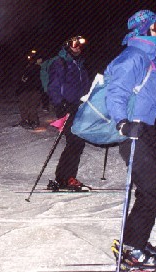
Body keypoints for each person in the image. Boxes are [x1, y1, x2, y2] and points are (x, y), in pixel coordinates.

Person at [105, 10, 156, 269]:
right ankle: (133, 248)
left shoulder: (152, 63)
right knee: (154, 192)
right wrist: (121, 122)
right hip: (133, 132)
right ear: (141, 30)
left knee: (155, 190)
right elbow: (116, 91)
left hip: (148, 131)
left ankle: (133, 241)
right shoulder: (132, 58)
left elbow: (155, 99)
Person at [46, 36, 91, 191]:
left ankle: (65, 177)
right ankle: (66, 178)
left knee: (77, 142)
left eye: (80, 45)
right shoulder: (60, 63)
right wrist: (61, 104)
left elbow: (85, 87)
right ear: (67, 46)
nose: (77, 47)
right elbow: (53, 86)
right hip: (66, 108)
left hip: (78, 108)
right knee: (75, 141)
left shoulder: (80, 65)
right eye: (74, 44)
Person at [15, 52, 43, 129]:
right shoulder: (27, 66)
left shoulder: (38, 68)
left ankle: (33, 121)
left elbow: (38, 79)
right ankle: (26, 120)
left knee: (32, 106)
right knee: (24, 105)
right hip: (24, 89)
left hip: (34, 89)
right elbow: (21, 78)